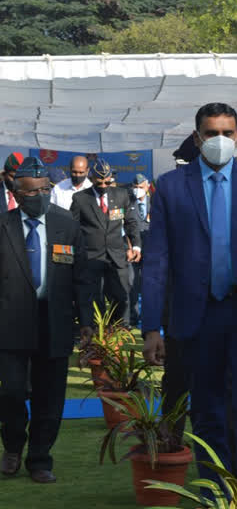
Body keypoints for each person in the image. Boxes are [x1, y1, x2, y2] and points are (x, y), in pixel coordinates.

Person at [141, 103, 237, 488]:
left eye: (227, 132)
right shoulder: (170, 186)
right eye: (211, 133)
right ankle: (215, 488)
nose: (219, 140)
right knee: (207, 409)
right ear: (197, 138)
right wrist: (151, 327)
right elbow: (156, 261)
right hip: (195, 317)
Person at [0, 157, 93, 483]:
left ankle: (39, 459)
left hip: (54, 321)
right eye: (30, 191)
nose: (38, 195)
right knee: (11, 392)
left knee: (49, 397)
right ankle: (12, 444)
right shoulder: (3, 225)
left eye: (43, 189)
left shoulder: (65, 223)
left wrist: (86, 322)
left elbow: (81, 277)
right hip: (10, 324)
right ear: (17, 191)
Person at [70, 159, 141, 324]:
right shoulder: (80, 198)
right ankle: (94, 336)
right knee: (93, 299)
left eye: (107, 181)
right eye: (99, 181)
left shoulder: (121, 195)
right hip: (91, 257)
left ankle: (120, 332)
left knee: (122, 297)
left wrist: (136, 245)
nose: (103, 185)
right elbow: (72, 228)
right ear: (92, 178)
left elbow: (131, 223)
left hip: (116, 255)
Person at [128, 174, 151, 327]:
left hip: (151, 251)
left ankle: (150, 318)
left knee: (150, 285)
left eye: (141, 187)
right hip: (132, 251)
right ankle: (133, 318)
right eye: (135, 187)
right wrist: (130, 248)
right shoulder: (127, 202)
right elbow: (123, 227)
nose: (138, 190)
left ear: (147, 187)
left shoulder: (156, 202)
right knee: (132, 285)